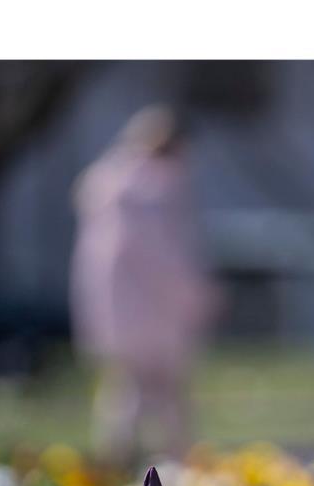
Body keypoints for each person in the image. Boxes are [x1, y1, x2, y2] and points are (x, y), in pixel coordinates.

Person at [70, 105, 215, 463]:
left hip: (115, 313)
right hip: (154, 312)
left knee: (123, 393)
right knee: (167, 398)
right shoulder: (152, 190)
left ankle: (116, 465)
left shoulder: (107, 185)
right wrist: (197, 297)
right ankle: (178, 470)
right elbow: (164, 258)